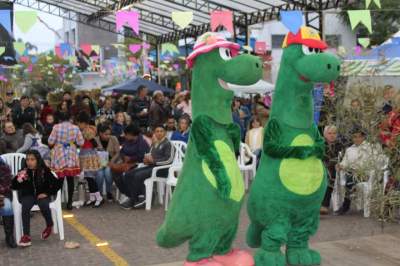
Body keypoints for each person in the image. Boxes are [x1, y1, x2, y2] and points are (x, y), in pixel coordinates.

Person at [12, 150, 63, 247]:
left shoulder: (45, 171)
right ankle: (26, 235)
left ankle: (49, 224)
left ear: (37, 160)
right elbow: (14, 186)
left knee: (44, 204)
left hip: (42, 195)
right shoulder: (24, 171)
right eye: (27, 160)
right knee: (25, 206)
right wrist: (19, 179)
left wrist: (47, 193)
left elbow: (57, 184)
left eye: (32, 159)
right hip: (28, 195)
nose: (29, 162)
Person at [120, 125, 174, 210]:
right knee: (129, 174)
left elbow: (169, 160)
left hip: (162, 169)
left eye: (161, 131)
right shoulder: (155, 144)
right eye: (157, 131)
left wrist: (154, 161)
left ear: (165, 133)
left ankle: (133, 200)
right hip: (152, 167)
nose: (159, 133)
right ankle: (137, 196)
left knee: (138, 176)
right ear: (154, 133)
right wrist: (146, 160)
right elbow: (150, 156)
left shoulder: (168, 144)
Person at [336, 127, 382, 215]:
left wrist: (365, 170)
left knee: (349, 180)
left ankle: (346, 206)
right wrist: (340, 165)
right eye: (354, 137)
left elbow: (376, 162)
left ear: (363, 137)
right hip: (353, 174)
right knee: (349, 177)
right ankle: (347, 203)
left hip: (366, 174)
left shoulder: (370, 148)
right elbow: (345, 162)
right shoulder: (349, 149)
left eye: (359, 137)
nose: (357, 139)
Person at [48, 112, 84, 210]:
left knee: (59, 178)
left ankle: (57, 201)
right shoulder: (75, 128)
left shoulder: (56, 127)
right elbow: (81, 142)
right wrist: (72, 143)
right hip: (71, 153)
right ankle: (69, 203)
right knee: (70, 179)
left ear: (59, 119)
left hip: (59, 153)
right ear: (70, 118)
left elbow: (50, 141)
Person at [111, 124, 149, 201]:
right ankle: (126, 193)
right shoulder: (128, 141)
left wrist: (131, 158)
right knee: (114, 172)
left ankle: (131, 194)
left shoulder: (142, 142)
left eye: (126, 134)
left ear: (131, 134)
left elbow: (142, 156)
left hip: (138, 163)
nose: (124, 136)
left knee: (127, 174)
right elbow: (121, 151)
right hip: (126, 162)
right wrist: (124, 156)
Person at [76, 112, 103, 207]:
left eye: (79, 123)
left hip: (88, 155)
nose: (78, 125)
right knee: (88, 177)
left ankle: (98, 197)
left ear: (84, 123)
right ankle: (92, 197)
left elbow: (93, 142)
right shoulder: (88, 129)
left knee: (90, 178)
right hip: (86, 154)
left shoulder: (87, 130)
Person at [320, 125, 343, 215]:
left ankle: (324, 205)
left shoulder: (340, 145)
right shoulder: (320, 144)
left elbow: (343, 158)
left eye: (334, 133)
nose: (332, 135)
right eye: (329, 133)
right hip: (320, 168)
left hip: (335, 169)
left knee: (330, 176)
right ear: (325, 134)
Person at [95, 123, 120, 202]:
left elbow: (118, 152)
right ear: (100, 133)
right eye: (106, 134)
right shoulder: (95, 140)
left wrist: (112, 161)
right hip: (99, 163)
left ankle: (109, 192)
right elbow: (92, 153)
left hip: (111, 162)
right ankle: (99, 193)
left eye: (109, 134)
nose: (108, 136)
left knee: (108, 172)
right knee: (100, 173)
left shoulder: (114, 139)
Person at [0, 157, 17, 248]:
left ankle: (9, 236)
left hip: (4, 194)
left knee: (7, 206)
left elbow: (6, 185)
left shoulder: (4, 167)